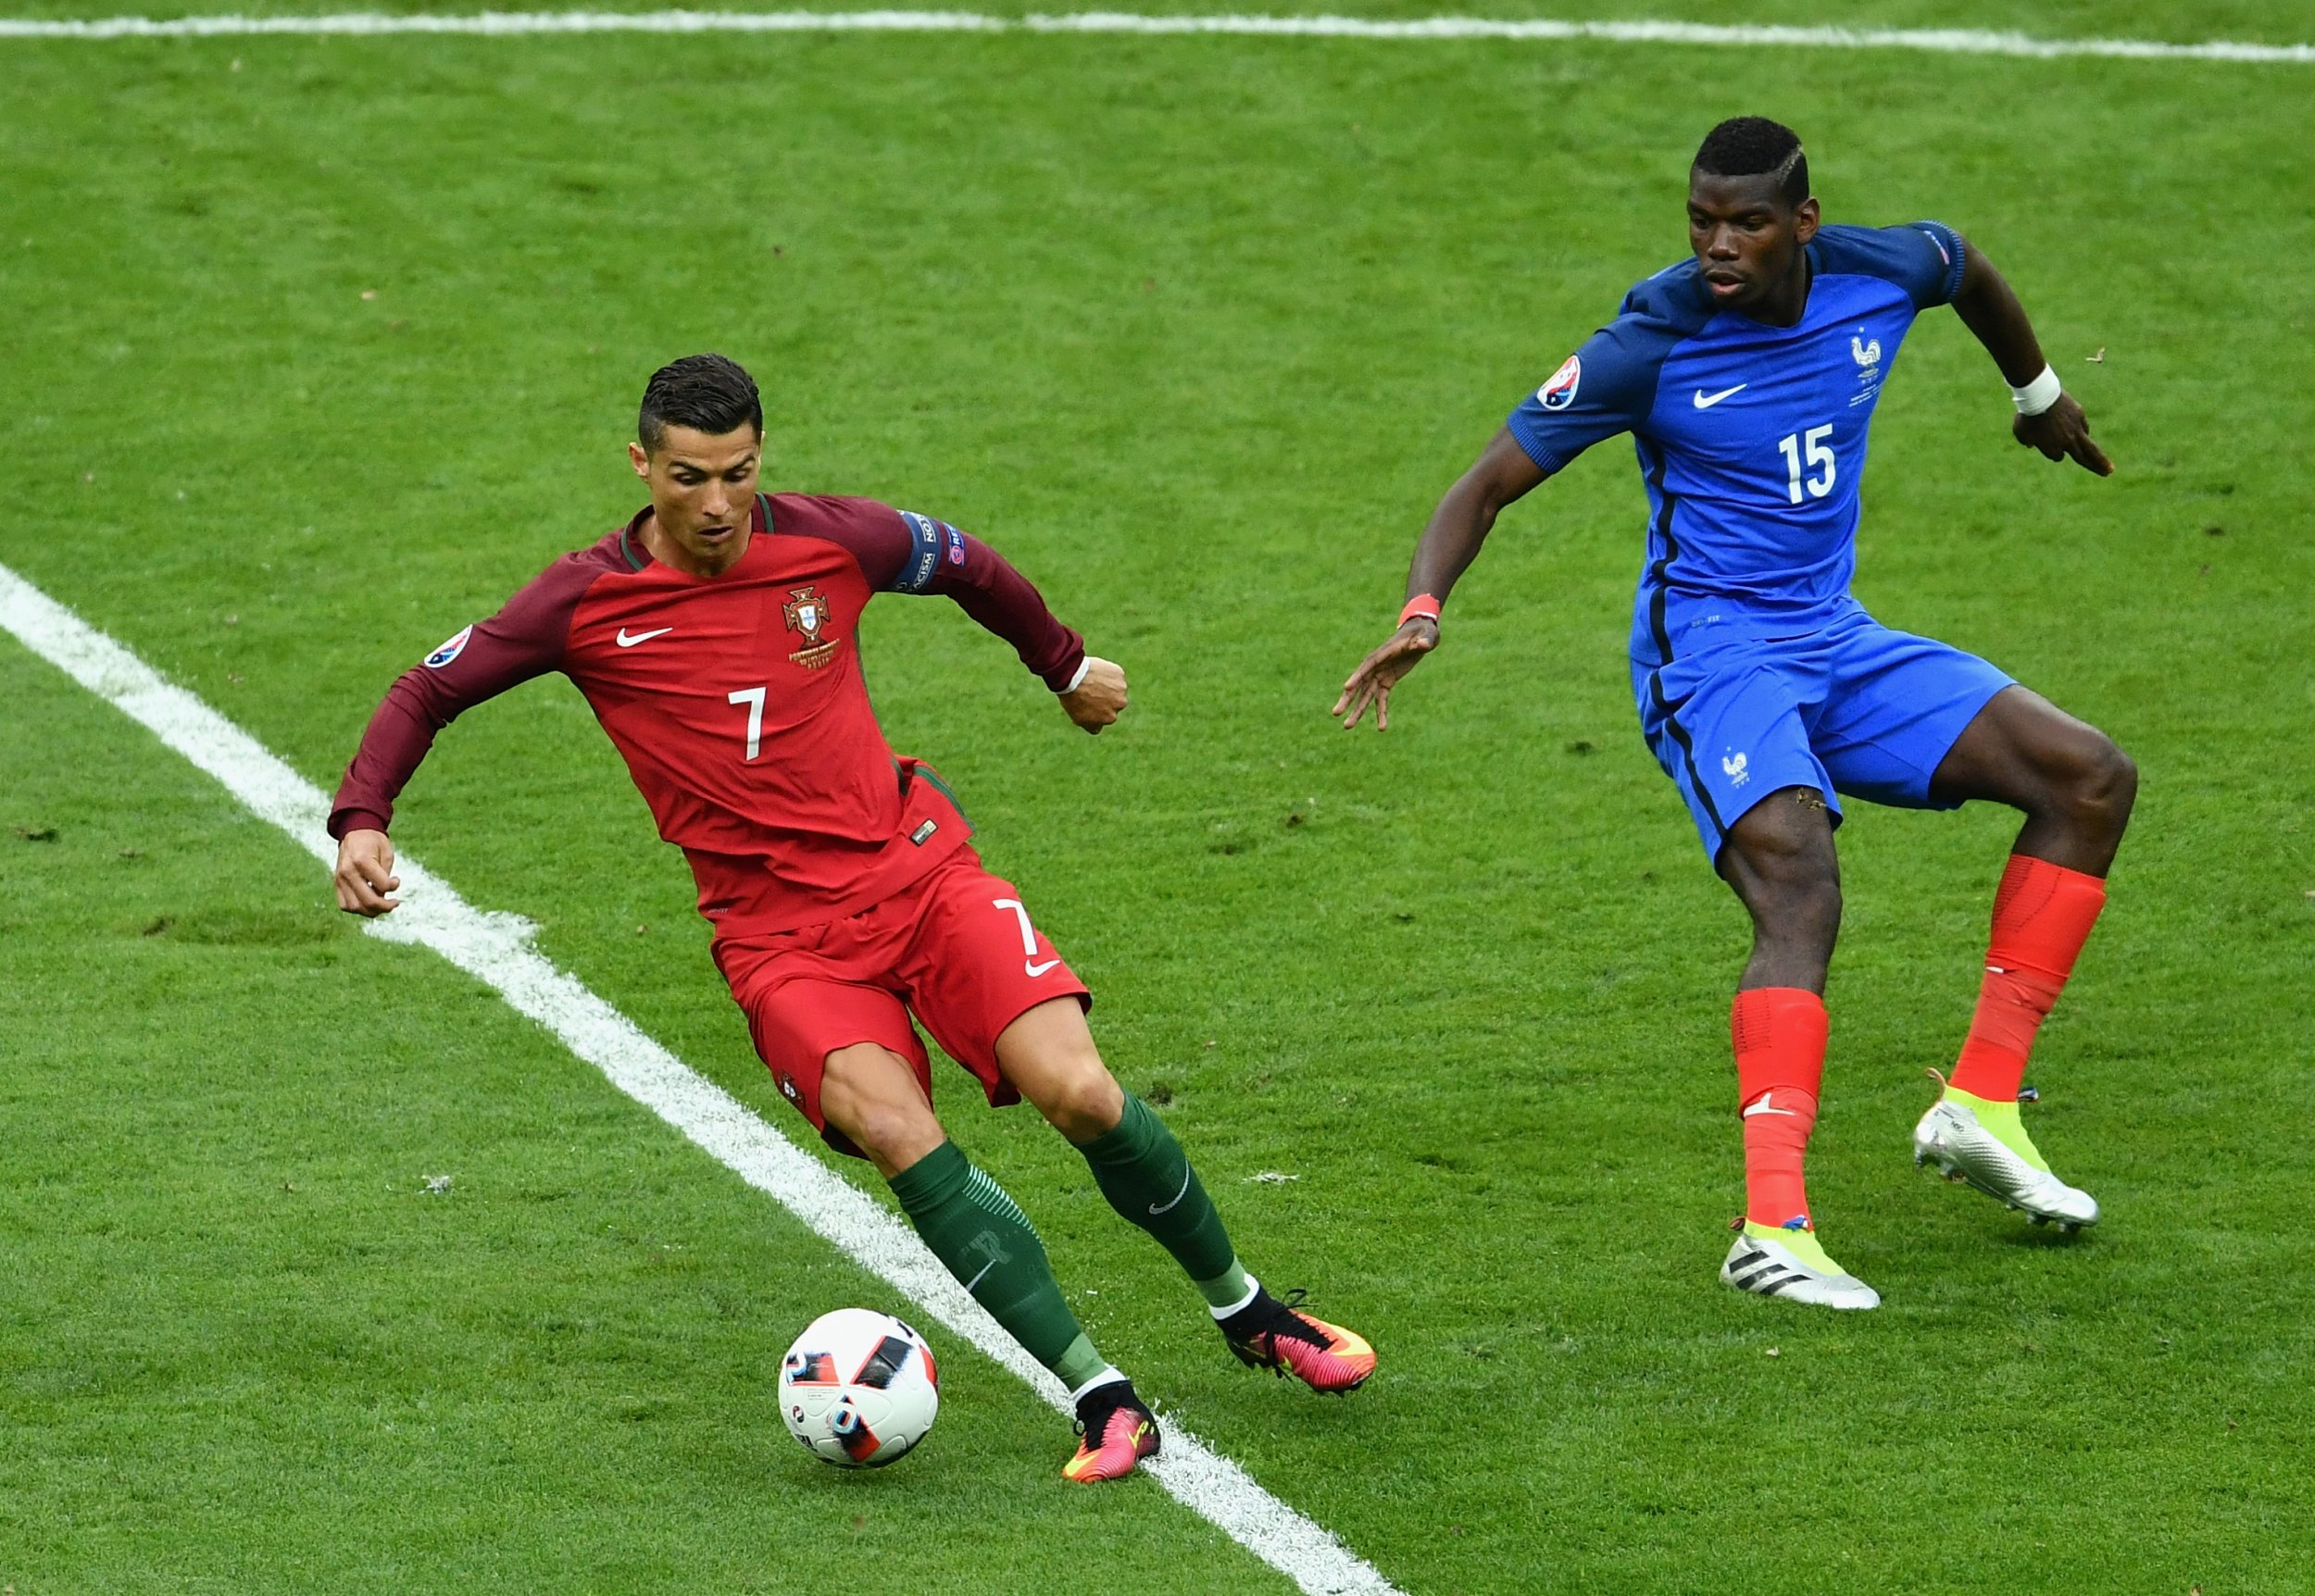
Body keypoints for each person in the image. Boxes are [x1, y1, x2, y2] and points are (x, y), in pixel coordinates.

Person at [332, 354, 1374, 1478]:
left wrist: (1063, 665)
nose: (717, 504)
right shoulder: (581, 601)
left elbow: (968, 561)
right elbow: (427, 686)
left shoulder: (834, 541)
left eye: (735, 472)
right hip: (778, 942)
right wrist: (361, 818)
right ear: (642, 466)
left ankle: (1250, 1309)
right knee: (898, 1133)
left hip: (917, 875)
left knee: (1079, 1091)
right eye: (688, 477)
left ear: (760, 455)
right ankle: (1100, 1394)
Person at [1333, 118, 2134, 1310]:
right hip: (1711, 656)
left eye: (1745, 222)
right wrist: (1423, 606)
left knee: (2087, 778)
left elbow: (1963, 265)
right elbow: (1485, 481)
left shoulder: (1876, 271)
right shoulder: (1648, 340)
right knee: (1797, 877)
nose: (1717, 244)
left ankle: (1980, 1104)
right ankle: (1773, 1226)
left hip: (1835, 636)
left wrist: (2039, 394)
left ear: (1800, 223)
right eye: (1701, 219)